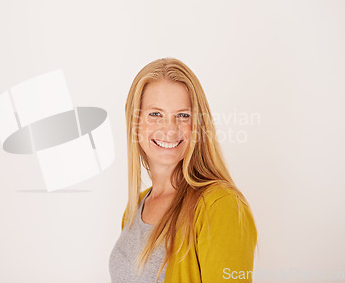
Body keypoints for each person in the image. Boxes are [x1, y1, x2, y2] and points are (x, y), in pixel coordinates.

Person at [109, 58, 257, 283]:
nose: (170, 128)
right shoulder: (135, 207)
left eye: (183, 115)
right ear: (136, 122)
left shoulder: (220, 206)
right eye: (155, 114)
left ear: (198, 125)